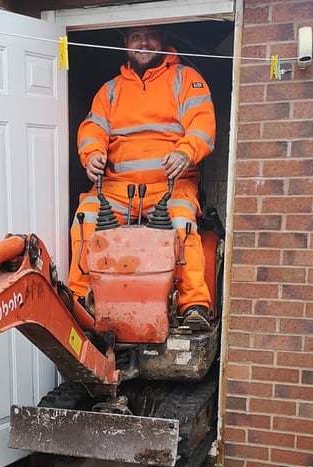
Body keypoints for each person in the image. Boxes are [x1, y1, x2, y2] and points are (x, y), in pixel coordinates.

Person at [68, 25, 216, 330]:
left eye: (150, 35)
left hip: (171, 185)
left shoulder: (185, 79)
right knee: (86, 219)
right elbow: (92, 128)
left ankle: (194, 305)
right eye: (136, 36)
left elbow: (202, 125)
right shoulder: (110, 90)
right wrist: (92, 153)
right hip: (118, 190)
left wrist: (185, 152)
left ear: (163, 39)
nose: (144, 42)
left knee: (181, 223)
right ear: (125, 43)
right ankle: (79, 300)